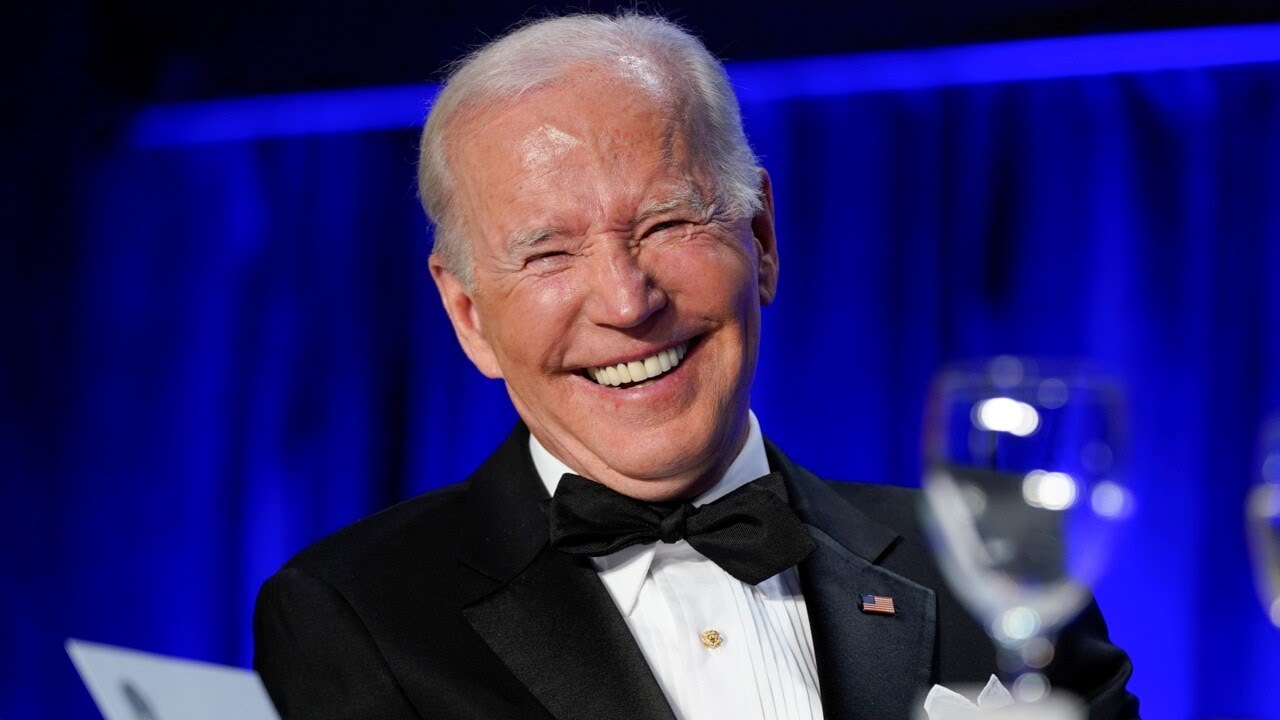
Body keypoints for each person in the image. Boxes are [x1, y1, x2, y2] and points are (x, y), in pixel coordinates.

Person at [253, 13, 1139, 719]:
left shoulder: (1000, 573)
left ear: (761, 239)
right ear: (469, 316)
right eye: (550, 253)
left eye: (668, 223)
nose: (626, 302)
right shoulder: (354, 613)